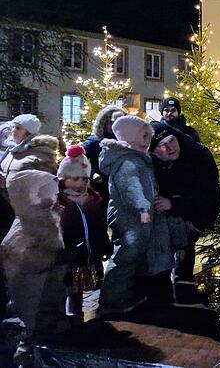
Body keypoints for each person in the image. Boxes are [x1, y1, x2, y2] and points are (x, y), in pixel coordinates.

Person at [98, 116, 187, 314]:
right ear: (131, 138)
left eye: (149, 135)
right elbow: (132, 188)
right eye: (144, 135)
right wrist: (142, 208)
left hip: (139, 218)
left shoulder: (138, 158)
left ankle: (125, 295)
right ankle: (112, 301)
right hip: (131, 218)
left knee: (133, 257)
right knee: (125, 258)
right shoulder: (128, 162)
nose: (148, 140)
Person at [1, 170, 69, 366]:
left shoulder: (47, 220)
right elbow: (24, 277)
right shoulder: (22, 234)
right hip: (32, 312)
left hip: (50, 305)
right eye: (50, 194)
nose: (56, 198)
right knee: (30, 347)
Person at [149, 122, 220, 303]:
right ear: (153, 152)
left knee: (184, 242)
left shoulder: (199, 157)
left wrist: (173, 203)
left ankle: (183, 287)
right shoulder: (150, 164)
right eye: (162, 145)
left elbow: (207, 196)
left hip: (195, 214)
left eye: (172, 140)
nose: (170, 147)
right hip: (162, 216)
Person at [57, 145, 112, 324]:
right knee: (73, 291)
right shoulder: (58, 203)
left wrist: (105, 243)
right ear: (64, 179)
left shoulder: (93, 200)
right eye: (75, 178)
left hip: (92, 256)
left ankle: (91, 320)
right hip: (72, 258)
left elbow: (99, 225)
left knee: (92, 289)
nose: (82, 182)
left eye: (85, 178)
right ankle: (73, 321)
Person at [82, 105, 126, 201]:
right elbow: (78, 157)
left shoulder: (126, 142)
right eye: (110, 122)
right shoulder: (94, 141)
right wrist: (91, 173)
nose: (113, 125)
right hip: (100, 189)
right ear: (104, 123)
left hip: (122, 190)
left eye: (116, 122)